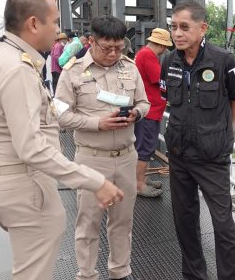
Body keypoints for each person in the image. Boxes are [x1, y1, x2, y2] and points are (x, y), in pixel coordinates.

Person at [0, 0, 124, 280]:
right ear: (33, 23)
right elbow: (31, 148)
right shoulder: (17, 68)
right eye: (54, 21)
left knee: (27, 267)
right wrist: (95, 181)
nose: (58, 29)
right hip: (26, 187)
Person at [55, 15, 150, 280]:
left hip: (126, 157)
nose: (113, 53)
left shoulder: (130, 68)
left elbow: (144, 102)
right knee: (88, 222)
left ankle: (120, 272)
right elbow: (60, 114)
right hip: (91, 158)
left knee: (123, 222)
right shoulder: (72, 71)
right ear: (91, 41)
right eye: (106, 47)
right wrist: (97, 123)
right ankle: (86, 274)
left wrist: (136, 114)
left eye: (119, 48)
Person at [160, 0, 235, 280]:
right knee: (184, 222)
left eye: (184, 27)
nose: (177, 33)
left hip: (211, 157)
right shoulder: (168, 61)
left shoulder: (225, 61)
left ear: (202, 27)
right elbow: (168, 101)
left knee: (223, 224)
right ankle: (194, 275)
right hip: (179, 153)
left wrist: (217, 132)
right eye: (174, 27)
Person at [134, 28, 173, 198]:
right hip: (149, 111)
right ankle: (139, 185)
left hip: (150, 110)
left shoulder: (142, 53)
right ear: (161, 44)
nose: (165, 50)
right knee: (145, 148)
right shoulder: (148, 56)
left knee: (145, 147)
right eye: (165, 46)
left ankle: (141, 179)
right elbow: (160, 79)